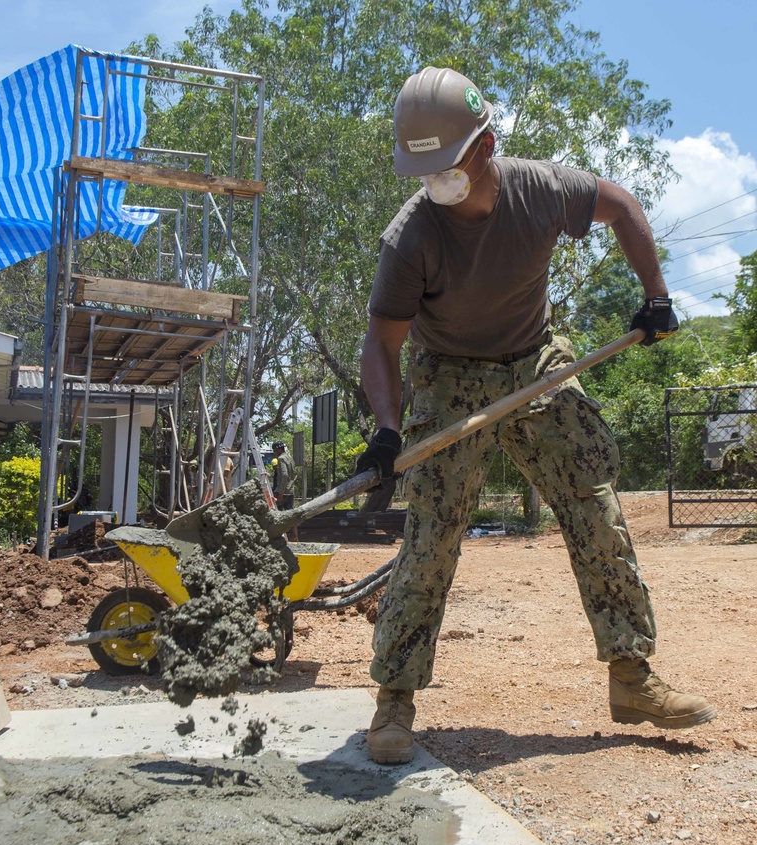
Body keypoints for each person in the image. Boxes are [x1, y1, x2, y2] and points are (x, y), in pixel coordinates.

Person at [355, 67, 715, 765]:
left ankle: (632, 676)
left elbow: (624, 206)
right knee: (432, 531)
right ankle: (394, 698)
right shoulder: (410, 237)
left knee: (594, 505)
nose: (435, 181)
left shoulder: (542, 189)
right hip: (448, 373)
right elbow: (383, 343)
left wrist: (657, 295)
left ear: (485, 145)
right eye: (424, 170)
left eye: (446, 165)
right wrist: (388, 431)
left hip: (536, 360)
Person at [271, 440, 299, 541]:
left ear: (278, 450)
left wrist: (280, 493)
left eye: (274, 451)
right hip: (291, 490)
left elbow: (285, 475)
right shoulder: (290, 458)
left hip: (283, 491)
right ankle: (295, 537)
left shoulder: (281, 458)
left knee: (276, 513)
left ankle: (282, 539)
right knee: (291, 514)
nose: (274, 453)